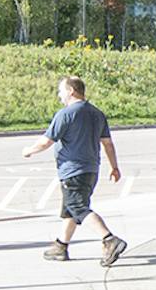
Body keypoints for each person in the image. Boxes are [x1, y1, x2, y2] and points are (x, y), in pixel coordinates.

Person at [23, 75, 126, 266]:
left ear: (71, 91)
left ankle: (109, 239)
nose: (59, 95)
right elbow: (108, 144)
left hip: (72, 171)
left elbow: (47, 141)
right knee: (71, 209)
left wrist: (29, 151)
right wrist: (114, 167)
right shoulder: (97, 113)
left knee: (79, 208)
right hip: (91, 170)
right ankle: (61, 246)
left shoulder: (66, 114)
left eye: (61, 91)